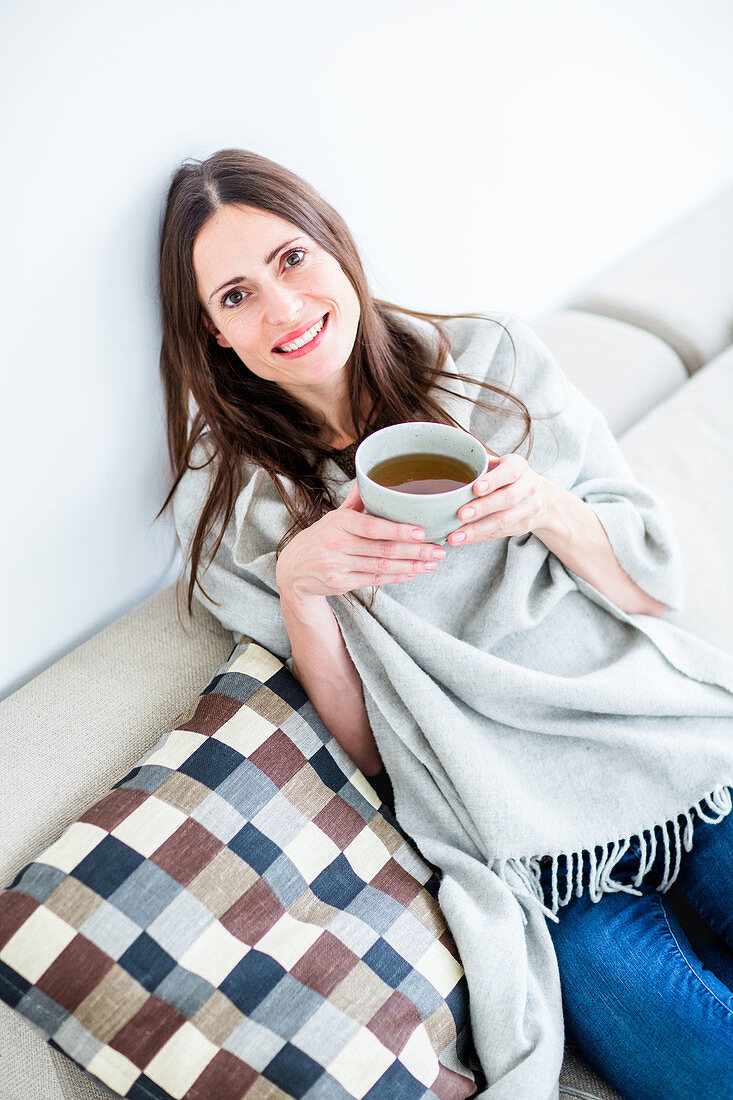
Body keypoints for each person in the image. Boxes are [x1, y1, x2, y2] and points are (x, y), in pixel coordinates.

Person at [157, 148, 733, 1100]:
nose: (283, 311)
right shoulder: (238, 512)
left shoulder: (487, 359)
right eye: (235, 296)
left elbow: (644, 585)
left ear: (338, 249)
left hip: (662, 750)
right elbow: (367, 754)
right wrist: (304, 590)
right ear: (213, 334)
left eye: (293, 260)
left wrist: (544, 505)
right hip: (531, 847)